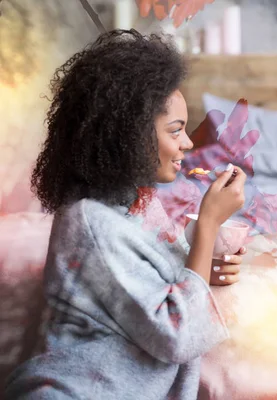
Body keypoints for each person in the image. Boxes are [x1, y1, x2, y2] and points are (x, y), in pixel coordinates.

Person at [5, 30, 246, 400]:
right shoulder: (89, 222)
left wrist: (202, 267)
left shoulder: (141, 203)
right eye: (175, 130)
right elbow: (178, 334)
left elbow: (151, 288)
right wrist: (208, 225)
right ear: (130, 135)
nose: (188, 143)